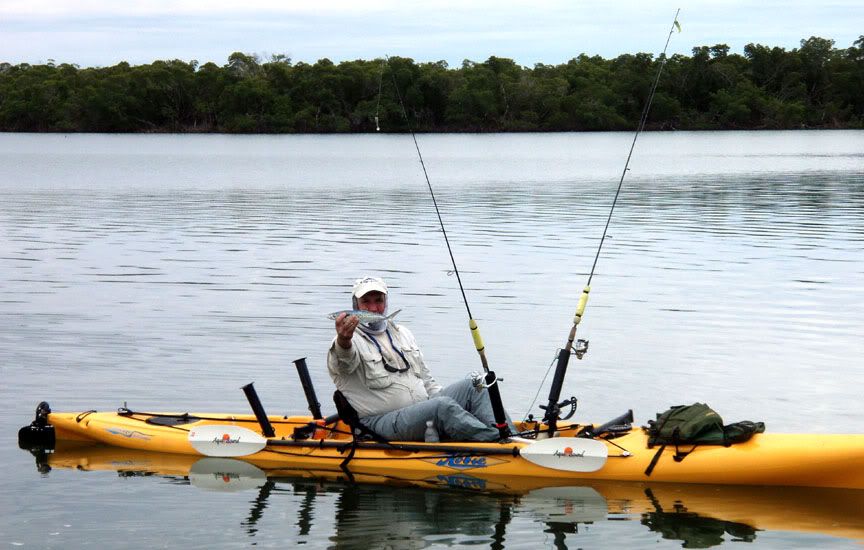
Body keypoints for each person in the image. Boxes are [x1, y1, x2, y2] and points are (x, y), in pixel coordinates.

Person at [327, 276, 512, 442]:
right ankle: (497, 442)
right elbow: (344, 361)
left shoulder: (402, 333)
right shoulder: (346, 342)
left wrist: (452, 404)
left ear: (386, 301)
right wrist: (344, 339)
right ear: (355, 306)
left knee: (478, 384)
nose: (374, 308)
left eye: (379, 300)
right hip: (379, 423)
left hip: (421, 409)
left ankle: (511, 436)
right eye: (365, 302)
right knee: (441, 407)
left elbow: (427, 381)